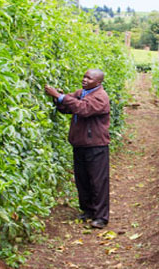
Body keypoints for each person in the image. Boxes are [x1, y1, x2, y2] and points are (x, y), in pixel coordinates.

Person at [44, 69, 111, 229]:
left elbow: (83, 109)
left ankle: (101, 217)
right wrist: (59, 99)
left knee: (98, 181)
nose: (85, 80)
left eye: (89, 78)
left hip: (96, 145)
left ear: (98, 82)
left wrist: (61, 97)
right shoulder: (82, 93)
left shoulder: (101, 97)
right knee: (82, 179)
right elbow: (68, 107)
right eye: (84, 76)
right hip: (80, 143)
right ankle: (88, 210)